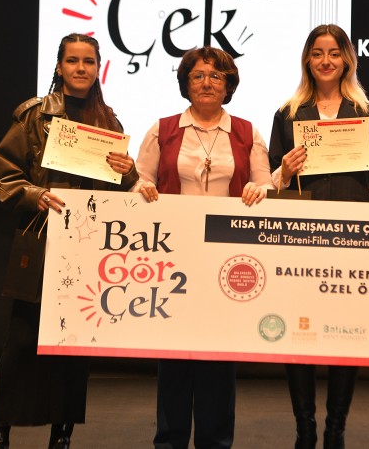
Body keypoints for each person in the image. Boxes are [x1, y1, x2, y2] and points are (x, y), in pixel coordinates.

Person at [0, 33, 139, 448]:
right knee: (23, 338)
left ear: (98, 68)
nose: (80, 68)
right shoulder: (35, 116)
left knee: (75, 343)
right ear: (59, 67)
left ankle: (62, 434)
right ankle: (0, 430)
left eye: (88, 61)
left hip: (87, 244)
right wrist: (34, 195)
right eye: (72, 61)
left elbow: (119, 191)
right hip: (42, 238)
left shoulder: (109, 122)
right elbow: (2, 176)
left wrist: (127, 172)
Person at [268, 24, 369, 449]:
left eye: (334, 53)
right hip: (300, 239)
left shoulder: (367, 114)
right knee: (299, 334)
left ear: (347, 60)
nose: (325, 61)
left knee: (347, 333)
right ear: (307, 60)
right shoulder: (289, 114)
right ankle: (305, 428)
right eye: (317, 53)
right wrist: (284, 171)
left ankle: (335, 429)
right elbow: (271, 181)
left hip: (351, 239)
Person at [133, 46, 273, 449]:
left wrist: (259, 190)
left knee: (219, 360)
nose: (207, 83)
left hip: (226, 261)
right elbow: (139, 180)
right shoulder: (162, 130)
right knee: (174, 359)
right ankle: (169, 442)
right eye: (198, 75)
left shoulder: (247, 132)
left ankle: (216, 442)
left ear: (228, 85)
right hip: (173, 259)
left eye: (216, 76)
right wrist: (141, 187)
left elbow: (266, 184)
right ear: (185, 83)